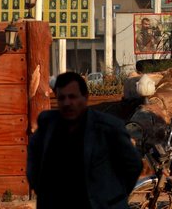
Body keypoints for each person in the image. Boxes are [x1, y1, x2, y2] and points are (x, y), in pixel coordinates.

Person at [27, 71, 142, 209]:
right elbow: (34, 164)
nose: (67, 103)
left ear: (85, 97)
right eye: (62, 98)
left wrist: (113, 196)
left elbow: (133, 165)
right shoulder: (48, 127)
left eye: (72, 97)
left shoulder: (108, 128)